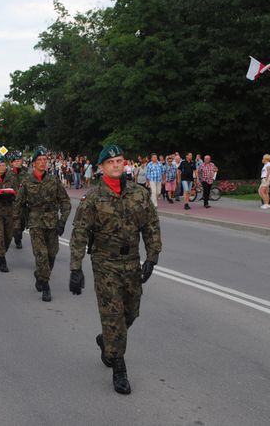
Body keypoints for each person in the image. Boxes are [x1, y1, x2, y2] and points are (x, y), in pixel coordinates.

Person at [69, 145, 162, 395]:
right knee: (113, 316)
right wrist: (75, 268)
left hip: (132, 261)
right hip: (105, 263)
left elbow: (151, 225)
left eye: (120, 161)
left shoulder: (138, 194)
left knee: (130, 313)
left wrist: (152, 257)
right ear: (102, 167)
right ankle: (119, 368)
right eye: (111, 162)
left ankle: (106, 339)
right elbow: (79, 234)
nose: (117, 165)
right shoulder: (93, 198)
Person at [13, 149, 71, 302]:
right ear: (33, 163)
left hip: (52, 221)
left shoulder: (53, 180)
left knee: (52, 254)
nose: (43, 162)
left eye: (45, 159)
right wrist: (17, 226)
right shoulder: (26, 181)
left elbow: (65, 201)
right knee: (41, 254)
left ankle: (40, 274)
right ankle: (46, 286)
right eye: (39, 159)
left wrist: (63, 221)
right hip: (35, 221)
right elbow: (18, 205)